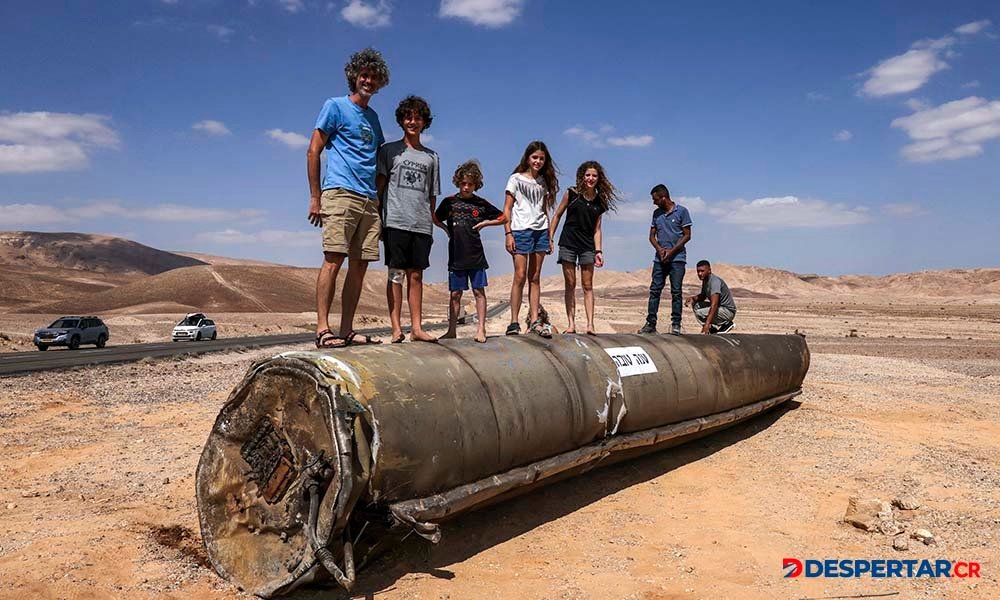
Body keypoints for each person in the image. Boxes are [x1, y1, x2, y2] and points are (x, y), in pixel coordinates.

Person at [307, 48, 389, 348]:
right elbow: (313, 149)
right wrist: (316, 197)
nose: (368, 80)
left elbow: (379, 160)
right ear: (354, 77)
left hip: (368, 200)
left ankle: (346, 329)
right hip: (340, 193)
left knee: (360, 265)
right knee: (334, 259)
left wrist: (379, 197)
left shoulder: (374, 118)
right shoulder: (335, 106)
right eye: (364, 75)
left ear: (379, 83)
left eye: (374, 77)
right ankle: (322, 329)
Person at [376, 96, 441, 344]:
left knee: (417, 275)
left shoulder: (432, 157)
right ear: (402, 120)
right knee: (396, 275)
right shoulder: (389, 151)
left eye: (418, 117)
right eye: (408, 117)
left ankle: (416, 328)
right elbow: (380, 188)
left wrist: (429, 223)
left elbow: (432, 194)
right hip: (395, 221)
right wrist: (380, 221)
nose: (413, 121)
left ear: (425, 122)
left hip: (421, 224)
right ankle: (396, 328)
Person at [435, 160, 507, 343]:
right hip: (456, 255)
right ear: (458, 182)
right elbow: (435, 218)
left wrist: (485, 223)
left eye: (470, 184)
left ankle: (481, 329)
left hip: (475, 255)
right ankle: (451, 330)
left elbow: (503, 218)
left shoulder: (480, 204)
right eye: (463, 183)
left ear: (476, 184)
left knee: (478, 291)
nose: (466, 187)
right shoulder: (449, 203)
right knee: (455, 294)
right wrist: (445, 229)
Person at [548, 160, 620, 335]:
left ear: (598, 178)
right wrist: (549, 237)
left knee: (588, 285)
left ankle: (590, 325)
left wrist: (599, 251)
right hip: (568, 243)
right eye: (588, 175)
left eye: (594, 175)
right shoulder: (571, 194)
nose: (591, 178)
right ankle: (571, 324)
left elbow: (597, 229)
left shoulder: (600, 202)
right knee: (570, 284)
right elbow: (557, 215)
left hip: (587, 246)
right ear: (582, 176)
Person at [503, 141, 559, 338]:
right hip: (520, 231)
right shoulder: (515, 179)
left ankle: (535, 321)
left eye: (542, 158)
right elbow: (507, 209)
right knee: (520, 276)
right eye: (535, 157)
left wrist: (549, 237)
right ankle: (514, 322)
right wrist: (508, 233)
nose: (538, 161)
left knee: (534, 278)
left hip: (541, 231)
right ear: (527, 157)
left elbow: (544, 209)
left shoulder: (543, 182)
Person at [638, 184, 692, 335]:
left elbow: (687, 235)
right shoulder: (656, 214)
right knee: (655, 290)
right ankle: (650, 323)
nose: (653, 202)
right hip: (659, 259)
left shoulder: (682, 211)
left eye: (655, 199)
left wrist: (672, 251)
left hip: (677, 259)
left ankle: (676, 324)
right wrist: (660, 249)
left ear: (663, 197)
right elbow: (651, 236)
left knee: (676, 292)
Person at [686, 260, 736, 334]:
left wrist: (707, 323)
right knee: (696, 305)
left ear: (709, 270)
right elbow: (703, 296)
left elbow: (714, 304)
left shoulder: (714, 282)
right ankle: (712, 329)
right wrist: (693, 298)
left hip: (727, 311)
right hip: (720, 308)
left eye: (702, 271)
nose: (700, 274)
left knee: (699, 313)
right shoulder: (705, 281)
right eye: (698, 271)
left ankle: (726, 324)